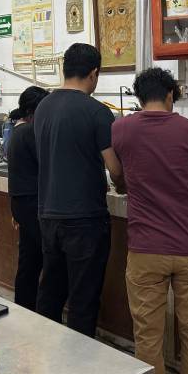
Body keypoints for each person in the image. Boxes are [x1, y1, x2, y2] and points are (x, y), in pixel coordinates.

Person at [107, 67, 188, 374]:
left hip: (146, 250)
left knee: (148, 335)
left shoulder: (121, 128)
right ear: (171, 95)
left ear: (139, 97)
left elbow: (118, 175)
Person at [33, 43, 122, 337]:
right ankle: (79, 361)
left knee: (51, 292)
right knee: (83, 300)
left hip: (48, 215)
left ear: (65, 68)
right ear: (94, 73)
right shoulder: (97, 112)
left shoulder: (43, 106)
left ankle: (46, 352)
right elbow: (114, 168)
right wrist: (123, 185)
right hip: (85, 219)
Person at [6, 86, 49, 312]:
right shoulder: (29, 132)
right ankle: (35, 310)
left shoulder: (18, 130)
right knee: (41, 261)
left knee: (29, 260)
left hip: (21, 202)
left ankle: (24, 309)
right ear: (34, 111)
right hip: (31, 203)